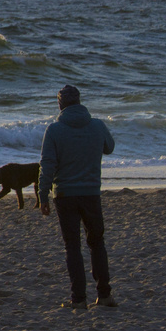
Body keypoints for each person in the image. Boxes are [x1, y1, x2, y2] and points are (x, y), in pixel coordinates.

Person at [38, 85, 117, 309]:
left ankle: (78, 299)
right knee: (97, 242)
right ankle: (104, 295)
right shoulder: (97, 125)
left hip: (64, 194)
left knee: (72, 246)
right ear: (80, 101)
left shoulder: (54, 130)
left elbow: (47, 165)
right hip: (91, 192)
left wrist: (42, 194)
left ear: (60, 104)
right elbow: (109, 148)